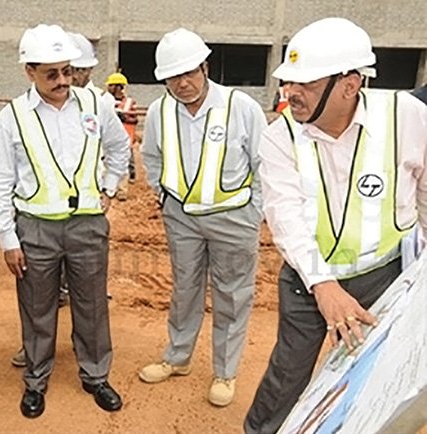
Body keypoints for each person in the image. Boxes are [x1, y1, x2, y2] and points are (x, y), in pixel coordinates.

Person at [244, 17, 427, 433]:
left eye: (304, 83)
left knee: (373, 371)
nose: (289, 93)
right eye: (288, 81)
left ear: (349, 84)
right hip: (307, 281)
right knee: (288, 372)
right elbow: (286, 218)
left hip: (384, 277)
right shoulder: (280, 137)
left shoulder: (407, 117)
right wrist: (323, 286)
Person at [0, 23, 129, 418]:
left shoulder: (95, 104)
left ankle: (96, 375)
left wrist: (109, 188)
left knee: (92, 304)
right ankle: (36, 380)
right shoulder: (14, 116)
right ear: (29, 71)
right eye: (52, 74)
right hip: (35, 228)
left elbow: (119, 147)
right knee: (37, 308)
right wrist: (7, 239)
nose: (63, 81)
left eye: (67, 71)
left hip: (87, 224)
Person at [138, 28, 266, 407]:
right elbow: (151, 158)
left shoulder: (241, 108)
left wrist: (254, 213)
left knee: (232, 294)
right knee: (185, 289)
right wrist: (165, 198)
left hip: (234, 217)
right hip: (181, 218)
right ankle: (177, 358)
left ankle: (225, 372)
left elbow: (264, 164)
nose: (182, 83)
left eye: (189, 73)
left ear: (205, 67)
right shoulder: (159, 112)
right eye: (173, 77)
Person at [106, 71, 138, 199]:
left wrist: (123, 117)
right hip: (108, 138)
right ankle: (109, 188)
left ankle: (121, 190)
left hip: (125, 138)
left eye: (111, 85)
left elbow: (134, 119)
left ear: (119, 87)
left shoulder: (129, 102)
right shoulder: (104, 101)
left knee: (123, 163)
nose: (108, 88)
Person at [68, 32, 116, 108]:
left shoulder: (103, 100)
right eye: (69, 70)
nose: (75, 76)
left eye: (81, 70)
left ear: (90, 69)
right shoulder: (51, 101)